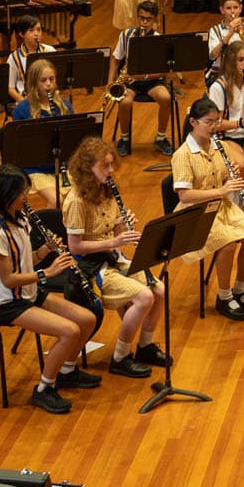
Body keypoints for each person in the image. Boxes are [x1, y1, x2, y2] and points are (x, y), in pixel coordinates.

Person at [0, 164, 99, 415]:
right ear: (5, 196)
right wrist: (49, 272)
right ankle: (44, 389)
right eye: (22, 193)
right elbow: (9, 279)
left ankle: (66, 371)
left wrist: (45, 250)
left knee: (87, 319)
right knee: (69, 331)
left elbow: (27, 260)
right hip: (8, 303)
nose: (26, 197)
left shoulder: (21, 219)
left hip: (30, 293)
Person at [62, 135, 165, 377]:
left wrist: (125, 227)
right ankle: (120, 357)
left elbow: (117, 231)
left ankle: (145, 347)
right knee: (143, 297)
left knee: (159, 291)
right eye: (104, 166)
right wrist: (115, 241)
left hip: (111, 258)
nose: (110, 170)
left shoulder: (108, 189)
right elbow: (75, 247)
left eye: (111, 164)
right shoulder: (77, 201)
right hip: (89, 269)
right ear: (88, 169)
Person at [170, 97, 244, 322]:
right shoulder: (182, 155)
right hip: (195, 214)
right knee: (228, 243)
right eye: (209, 122)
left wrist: (233, 182)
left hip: (222, 206)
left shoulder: (220, 146)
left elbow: (227, 176)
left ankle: (239, 289)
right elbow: (185, 195)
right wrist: (221, 191)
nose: (214, 127)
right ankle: (224, 295)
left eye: (217, 122)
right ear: (193, 122)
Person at [106, 0, 175, 152]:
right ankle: (124, 139)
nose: (144, 22)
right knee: (124, 102)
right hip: (130, 82)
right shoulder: (126, 35)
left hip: (153, 81)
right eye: (142, 18)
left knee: (166, 98)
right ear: (137, 17)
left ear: (155, 20)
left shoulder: (159, 39)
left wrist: (142, 77)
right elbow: (115, 59)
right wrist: (110, 81)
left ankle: (160, 137)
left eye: (149, 19)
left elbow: (164, 71)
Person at [8, 53, 74, 209]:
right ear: (34, 83)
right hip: (37, 169)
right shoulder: (22, 110)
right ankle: (51, 233)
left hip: (63, 166)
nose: (49, 84)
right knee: (56, 200)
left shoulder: (64, 105)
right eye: (43, 80)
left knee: (80, 199)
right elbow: (21, 149)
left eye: (52, 79)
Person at [208, 38, 244, 151]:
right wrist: (240, 123)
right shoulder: (218, 87)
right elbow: (216, 123)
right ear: (231, 61)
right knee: (241, 165)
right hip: (227, 137)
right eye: (240, 60)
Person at [6, 15, 56, 106]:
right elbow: (10, 87)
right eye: (31, 30)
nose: (36, 34)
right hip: (26, 101)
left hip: (49, 99)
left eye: (39, 29)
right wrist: (23, 103)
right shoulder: (14, 57)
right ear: (21, 34)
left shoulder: (50, 50)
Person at [206, 0, 244, 69]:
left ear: (240, 8)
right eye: (228, 8)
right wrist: (229, 33)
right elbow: (213, 56)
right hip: (221, 72)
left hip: (243, 71)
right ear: (222, 10)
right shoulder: (215, 30)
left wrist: (243, 36)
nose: (232, 11)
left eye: (235, 7)